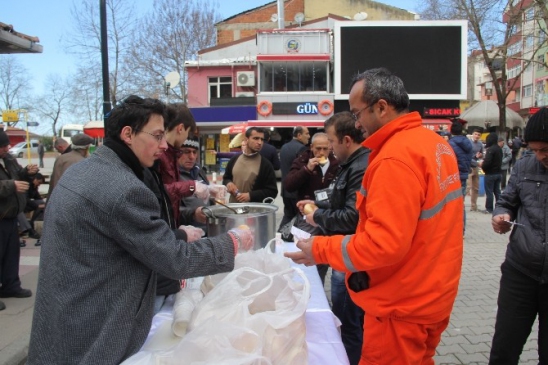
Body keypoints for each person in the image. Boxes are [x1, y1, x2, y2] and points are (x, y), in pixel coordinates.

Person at [27, 96, 253, 364]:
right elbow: (175, 259)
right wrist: (232, 242)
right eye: (157, 136)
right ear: (128, 135)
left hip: (63, 318)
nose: (164, 145)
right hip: (93, 331)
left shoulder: (82, 171)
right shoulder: (123, 189)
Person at [285, 68, 463, 364]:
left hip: (401, 305)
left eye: (357, 113)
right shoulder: (434, 145)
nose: (356, 124)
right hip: (432, 292)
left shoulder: (394, 158)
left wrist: (320, 249)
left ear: (381, 107)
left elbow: (383, 245)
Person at [298, 112, 369, 365]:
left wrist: (317, 217)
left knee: (349, 324)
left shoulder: (361, 166)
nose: (328, 147)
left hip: (351, 256)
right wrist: (315, 202)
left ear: (346, 140)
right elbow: (337, 195)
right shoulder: (351, 163)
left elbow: (352, 217)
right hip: (343, 252)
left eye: (331, 141)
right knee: (345, 319)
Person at [489, 107, 548, 364]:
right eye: (534, 149)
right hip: (520, 271)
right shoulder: (525, 165)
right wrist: (501, 214)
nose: (540, 156)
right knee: (504, 348)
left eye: (545, 149)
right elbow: (507, 200)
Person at [284, 132, 339, 283]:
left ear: (330, 148)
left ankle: (319, 288)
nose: (321, 153)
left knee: (324, 257)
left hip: (328, 215)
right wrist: (307, 169)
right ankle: (305, 288)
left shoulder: (337, 163)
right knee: (306, 254)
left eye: (325, 149)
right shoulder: (302, 160)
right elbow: (288, 185)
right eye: (318, 149)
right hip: (307, 217)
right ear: (311, 147)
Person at [157, 103, 224, 226]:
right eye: (187, 133)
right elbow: (156, 194)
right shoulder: (159, 154)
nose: (192, 157)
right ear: (180, 128)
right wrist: (191, 187)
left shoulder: (173, 156)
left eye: (195, 152)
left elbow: (172, 206)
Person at [0, 129, 37, 311]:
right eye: (3, 145)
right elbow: (9, 183)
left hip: (10, 215)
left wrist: (26, 173)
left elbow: (17, 176)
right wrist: (11, 185)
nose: (7, 148)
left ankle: (10, 285)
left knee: (11, 254)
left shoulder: (8, 160)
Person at [223, 127, 278, 203]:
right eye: (256, 138)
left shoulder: (265, 165)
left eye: (262, 139)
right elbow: (226, 178)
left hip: (254, 212)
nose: (260, 142)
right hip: (233, 209)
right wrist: (229, 183)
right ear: (246, 140)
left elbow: (272, 191)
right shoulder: (234, 159)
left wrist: (251, 195)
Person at [178, 136, 213, 232]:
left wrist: (214, 198)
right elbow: (169, 211)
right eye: (186, 152)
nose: (192, 157)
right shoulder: (172, 176)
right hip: (187, 234)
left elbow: (208, 199)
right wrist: (193, 214)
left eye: (194, 152)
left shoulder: (200, 171)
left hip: (208, 230)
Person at [278, 126, 310, 230]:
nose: (309, 137)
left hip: (285, 191)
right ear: (299, 135)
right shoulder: (302, 149)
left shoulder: (284, 147)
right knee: (300, 218)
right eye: (307, 134)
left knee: (287, 215)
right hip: (297, 191)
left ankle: (280, 235)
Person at [47, 133, 94, 197]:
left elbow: (53, 183)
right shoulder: (83, 161)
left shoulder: (61, 158)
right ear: (87, 147)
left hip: (56, 199)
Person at [448, 121, 473, 235]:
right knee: (461, 203)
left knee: (452, 204)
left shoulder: (451, 144)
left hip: (453, 176)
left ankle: (454, 230)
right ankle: (461, 229)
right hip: (464, 175)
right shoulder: (468, 142)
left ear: (451, 131)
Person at [479, 132, 502, 214]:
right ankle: (500, 207)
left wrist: (482, 166)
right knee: (497, 191)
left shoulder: (491, 150)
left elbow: (487, 162)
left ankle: (489, 208)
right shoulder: (499, 149)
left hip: (490, 174)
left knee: (489, 192)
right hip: (498, 173)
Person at [466, 128, 484, 211]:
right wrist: (476, 160)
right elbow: (467, 157)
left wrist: (480, 158)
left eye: (478, 135)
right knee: (467, 187)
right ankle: (460, 204)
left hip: (476, 167)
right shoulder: (468, 143)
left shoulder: (480, 144)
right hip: (469, 166)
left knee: (476, 187)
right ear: (473, 134)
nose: (477, 136)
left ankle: (474, 206)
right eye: (475, 134)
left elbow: (481, 154)